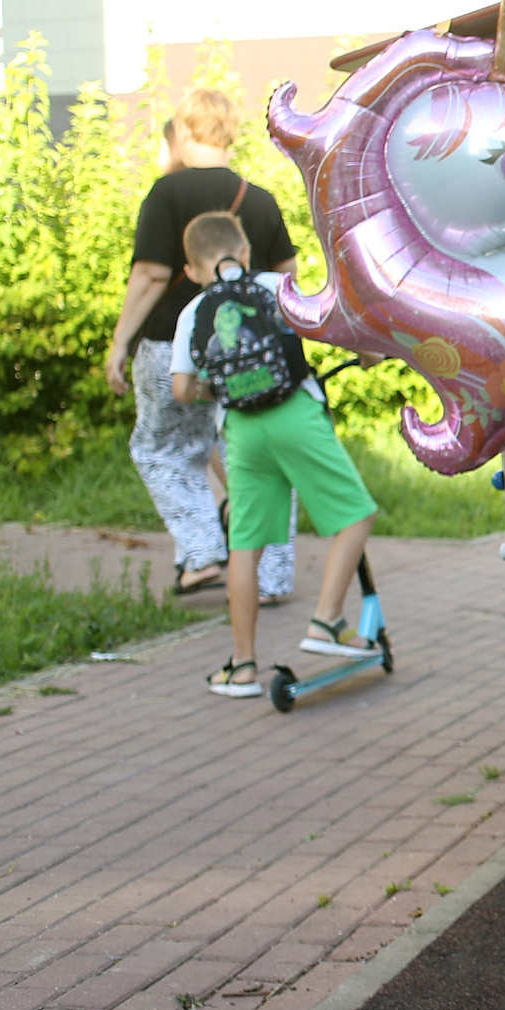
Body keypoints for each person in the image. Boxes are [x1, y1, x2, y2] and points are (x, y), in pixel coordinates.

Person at [167, 214, 381, 698]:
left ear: (193, 269)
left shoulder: (193, 311)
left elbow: (182, 388)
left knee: (247, 544)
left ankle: (242, 667)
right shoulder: (274, 285)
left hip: (240, 430)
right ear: (244, 252)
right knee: (355, 514)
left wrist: (227, 385)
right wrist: (367, 353)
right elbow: (330, 320)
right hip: (294, 414)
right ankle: (327, 620)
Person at [106, 92, 300, 604]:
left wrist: (120, 341)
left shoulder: (166, 193)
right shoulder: (258, 199)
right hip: (251, 355)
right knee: (256, 456)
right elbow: (287, 280)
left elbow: (150, 273)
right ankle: (272, 578)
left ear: (186, 132)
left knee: (165, 451)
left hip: (174, 346)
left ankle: (201, 554)